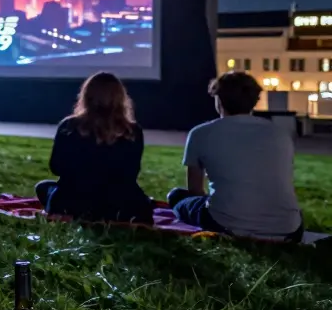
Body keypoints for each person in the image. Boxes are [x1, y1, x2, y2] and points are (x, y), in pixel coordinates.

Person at [168, 71, 304, 241]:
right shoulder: (279, 133)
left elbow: (195, 190)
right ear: (254, 100)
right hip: (289, 229)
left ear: (219, 100)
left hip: (228, 224)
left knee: (177, 196)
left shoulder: (201, 133)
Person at [34, 72, 153, 224]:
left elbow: (56, 167)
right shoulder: (133, 131)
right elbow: (131, 173)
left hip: (73, 202)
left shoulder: (69, 126)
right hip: (120, 205)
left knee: (44, 187)